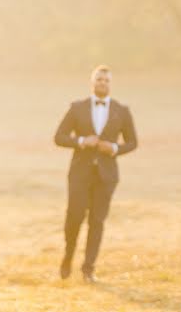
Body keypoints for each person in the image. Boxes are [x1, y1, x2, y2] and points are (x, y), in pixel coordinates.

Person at [53, 65, 137, 282]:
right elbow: (59, 137)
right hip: (80, 173)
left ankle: (88, 268)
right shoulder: (77, 108)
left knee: (97, 221)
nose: (103, 83)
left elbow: (133, 142)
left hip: (106, 175)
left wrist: (115, 148)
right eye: (99, 79)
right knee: (74, 217)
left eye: (106, 80)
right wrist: (81, 141)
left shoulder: (122, 111)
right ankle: (68, 256)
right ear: (92, 82)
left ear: (111, 84)